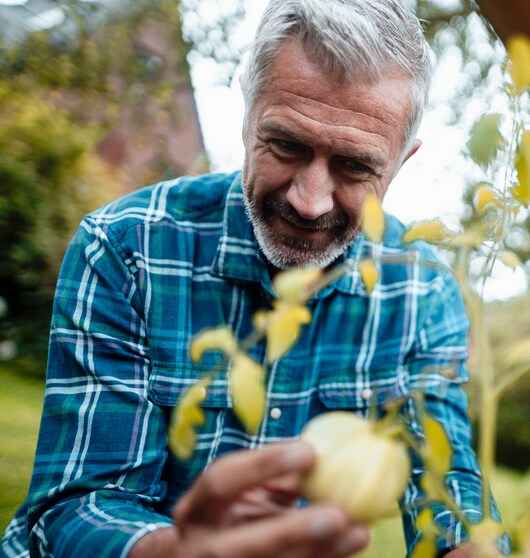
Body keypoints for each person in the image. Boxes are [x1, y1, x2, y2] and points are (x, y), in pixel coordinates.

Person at [0, 0, 500, 556]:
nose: (310, 202)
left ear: (402, 161)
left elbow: (445, 477)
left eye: (355, 166)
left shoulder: (422, 291)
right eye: (286, 145)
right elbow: (75, 505)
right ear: (246, 114)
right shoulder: (125, 248)